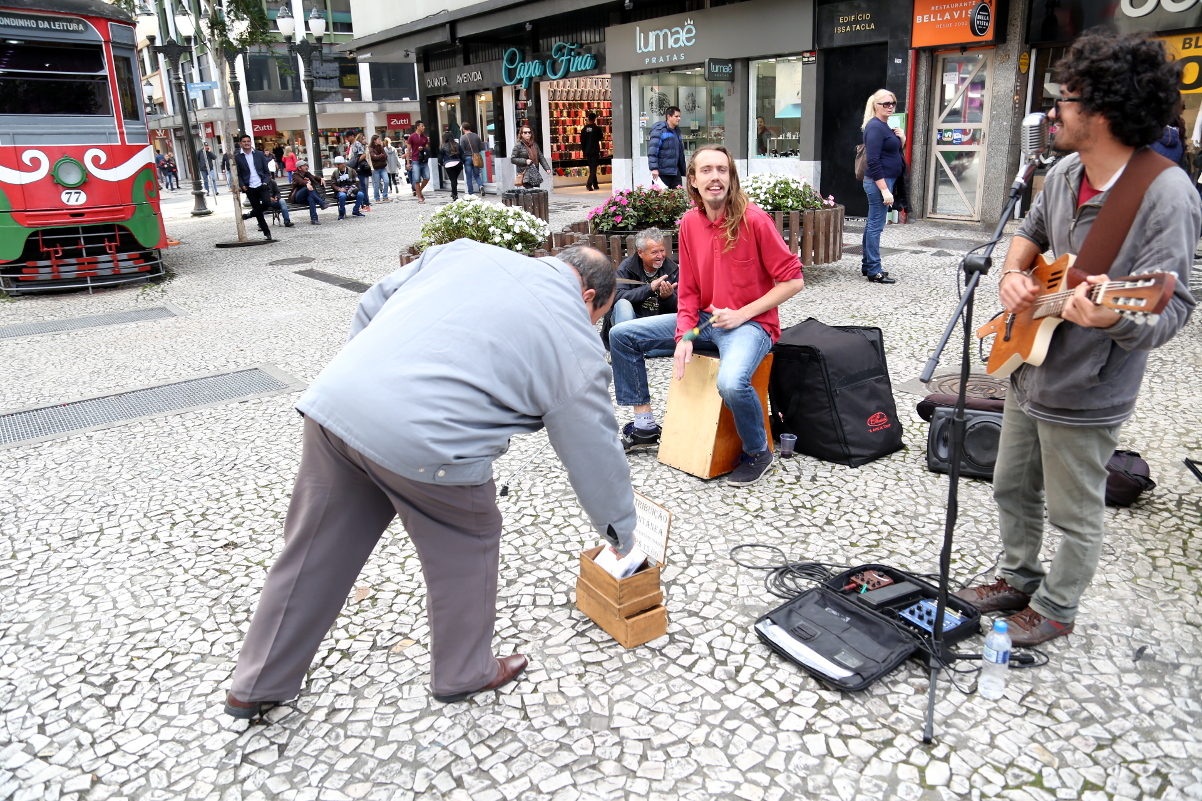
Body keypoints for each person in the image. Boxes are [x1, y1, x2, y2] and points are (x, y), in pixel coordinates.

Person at [222, 241, 635, 718]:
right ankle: (463, 671)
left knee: (313, 550)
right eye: (597, 316)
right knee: (469, 536)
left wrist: (372, 387)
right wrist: (619, 531)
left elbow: (372, 302)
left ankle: (255, 683)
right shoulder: (573, 337)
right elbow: (594, 451)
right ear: (588, 298)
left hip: (336, 408)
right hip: (431, 448)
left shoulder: (463, 252)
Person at [953, 32, 1198, 647]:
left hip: (1088, 389)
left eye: (1065, 100)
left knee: (1074, 510)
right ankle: (1017, 576)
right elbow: (1029, 230)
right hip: (1028, 366)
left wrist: (1107, 317)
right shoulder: (1063, 173)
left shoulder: (1166, 195)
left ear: (1103, 112)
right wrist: (1012, 274)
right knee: (1010, 483)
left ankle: (1057, 609)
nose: (1052, 112)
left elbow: (1171, 312)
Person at [609, 146, 805, 486]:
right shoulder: (689, 223)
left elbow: (793, 281)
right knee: (621, 336)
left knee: (730, 382)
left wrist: (742, 313)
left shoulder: (754, 219)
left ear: (731, 178)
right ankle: (644, 426)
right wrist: (684, 335)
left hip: (752, 325)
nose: (715, 177)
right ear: (693, 181)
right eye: (707, 171)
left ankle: (758, 451)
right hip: (702, 322)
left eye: (722, 170)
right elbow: (690, 291)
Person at [603, 227, 678, 347]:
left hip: (656, 324)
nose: (660, 256)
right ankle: (628, 346)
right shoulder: (627, 267)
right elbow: (616, 297)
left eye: (662, 250)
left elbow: (682, 306)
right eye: (654, 252)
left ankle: (642, 348)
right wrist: (649, 288)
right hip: (633, 320)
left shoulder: (673, 269)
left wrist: (668, 298)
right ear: (640, 252)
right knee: (623, 304)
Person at [860, 89, 904, 285]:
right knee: (876, 226)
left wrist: (901, 138)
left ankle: (868, 265)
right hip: (879, 182)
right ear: (875, 105)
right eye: (885, 103)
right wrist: (885, 189)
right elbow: (873, 161)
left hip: (886, 181)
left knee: (873, 224)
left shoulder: (885, 126)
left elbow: (892, 152)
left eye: (892, 103)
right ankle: (874, 271)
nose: (890, 106)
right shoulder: (876, 127)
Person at [234, 133, 275, 241]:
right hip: (249, 187)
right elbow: (238, 173)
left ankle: (250, 214)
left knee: (267, 203)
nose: (246, 143)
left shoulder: (259, 154)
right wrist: (242, 185)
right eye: (244, 141)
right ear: (240, 143)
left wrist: (265, 182)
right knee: (258, 211)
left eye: (248, 141)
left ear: (251, 142)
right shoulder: (238, 157)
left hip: (261, 184)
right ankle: (267, 233)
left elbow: (266, 171)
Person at [648, 106, 686, 189]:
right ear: (669, 116)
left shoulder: (677, 131)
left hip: (675, 172)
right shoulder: (659, 130)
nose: (679, 118)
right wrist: (654, 169)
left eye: (679, 116)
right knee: (661, 199)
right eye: (676, 116)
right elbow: (653, 151)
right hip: (662, 173)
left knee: (677, 198)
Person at [290, 160, 330, 225]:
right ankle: (322, 203)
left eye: (307, 165)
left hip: (307, 196)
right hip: (298, 197)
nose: (306, 167)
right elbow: (299, 181)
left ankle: (314, 219)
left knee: (311, 198)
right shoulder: (295, 175)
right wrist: (307, 184)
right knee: (307, 188)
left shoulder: (307, 174)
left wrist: (320, 178)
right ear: (299, 168)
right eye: (304, 166)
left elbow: (314, 177)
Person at [510, 125, 550, 189]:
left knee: (536, 193)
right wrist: (525, 161)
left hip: (535, 173)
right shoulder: (518, 145)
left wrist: (547, 168)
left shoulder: (534, 144)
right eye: (525, 132)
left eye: (529, 132)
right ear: (521, 134)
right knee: (530, 193)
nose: (528, 134)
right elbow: (513, 159)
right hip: (525, 173)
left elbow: (540, 157)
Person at [408, 121, 431, 203]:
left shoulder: (425, 138)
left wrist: (423, 149)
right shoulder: (411, 137)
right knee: (417, 179)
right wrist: (408, 162)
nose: (424, 127)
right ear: (417, 127)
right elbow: (408, 150)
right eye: (422, 126)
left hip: (423, 160)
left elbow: (428, 149)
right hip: (415, 159)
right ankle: (419, 197)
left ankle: (419, 191)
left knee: (427, 177)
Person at [459, 122, 485, 197]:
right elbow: (481, 147)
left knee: (469, 176)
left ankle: (471, 193)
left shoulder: (463, 137)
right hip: (476, 157)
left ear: (463, 129)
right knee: (477, 175)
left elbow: (461, 149)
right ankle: (480, 186)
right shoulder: (476, 136)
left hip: (467, 158)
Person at [581, 111, 603, 191]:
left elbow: (582, 141)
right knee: (594, 168)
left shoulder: (584, 129)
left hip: (587, 151)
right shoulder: (596, 128)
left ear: (588, 119)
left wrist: (583, 151)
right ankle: (589, 184)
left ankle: (595, 184)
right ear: (594, 119)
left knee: (592, 167)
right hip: (594, 151)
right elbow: (601, 137)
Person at [439, 132, 463, 201]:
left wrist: (441, 163)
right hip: (458, 163)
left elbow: (440, 157)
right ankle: (453, 192)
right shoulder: (457, 145)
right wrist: (462, 162)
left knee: (453, 179)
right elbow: (462, 154)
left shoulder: (442, 146)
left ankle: (455, 194)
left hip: (448, 164)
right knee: (455, 179)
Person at [369, 134, 390, 203]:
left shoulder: (381, 147)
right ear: (374, 141)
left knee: (386, 181)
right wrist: (381, 156)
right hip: (375, 168)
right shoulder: (371, 148)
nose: (380, 141)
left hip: (382, 167)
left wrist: (379, 156)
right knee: (376, 184)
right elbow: (373, 157)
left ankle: (385, 196)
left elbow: (385, 156)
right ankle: (377, 198)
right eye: (378, 139)